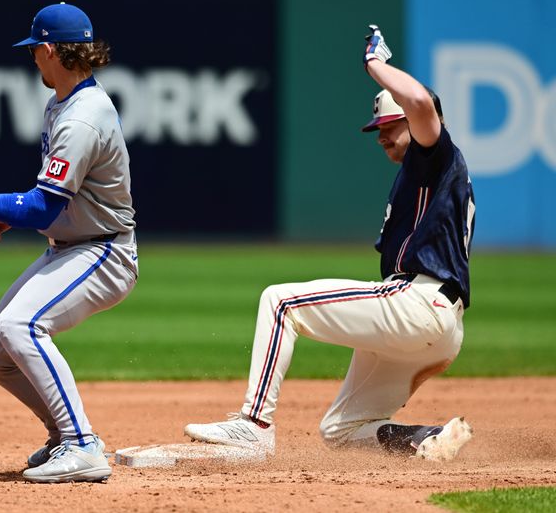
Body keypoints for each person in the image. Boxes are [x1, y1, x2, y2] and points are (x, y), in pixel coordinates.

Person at [184, 25, 476, 462]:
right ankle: (430, 439)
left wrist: (375, 64)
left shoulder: (435, 154)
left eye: (388, 126)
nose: (379, 135)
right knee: (341, 431)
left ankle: (254, 424)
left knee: (280, 302)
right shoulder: (423, 176)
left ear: (415, 126)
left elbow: (420, 103)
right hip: (440, 324)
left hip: (421, 301)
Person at [0, 2, 137, 482]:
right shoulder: (62, 104)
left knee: (21, 325)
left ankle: (83, 445)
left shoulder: (82, 117)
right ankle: (61, 435)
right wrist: (6, 217)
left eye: (35, 51)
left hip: (103, 252)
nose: (33, 60)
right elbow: (50, 200)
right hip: (70, 245)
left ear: (50, 50)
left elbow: (44, 207)